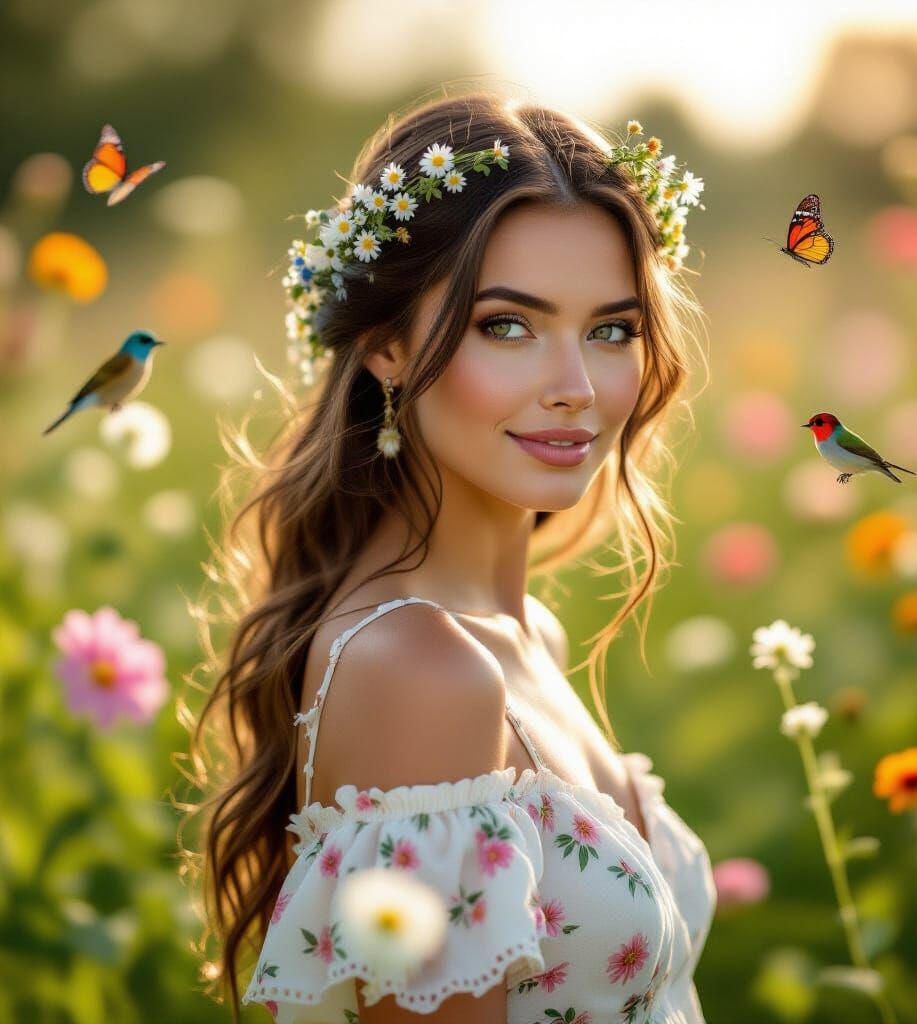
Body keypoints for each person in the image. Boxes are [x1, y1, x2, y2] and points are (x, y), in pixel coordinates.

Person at [186, 87, 715, 1023]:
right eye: (506, 326)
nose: (576, 387)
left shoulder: (524, 636)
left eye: (612, 330)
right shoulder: (417, 672)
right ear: (386, 345)